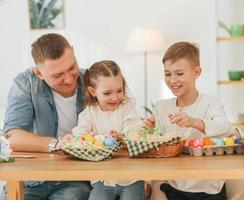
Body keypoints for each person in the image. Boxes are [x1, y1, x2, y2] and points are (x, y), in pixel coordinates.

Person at [2, 33, 91, 200]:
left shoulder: (92, 81)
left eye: (72, 68)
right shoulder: (25, 83)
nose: (69, 79)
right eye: (57, 75)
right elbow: (12, 136)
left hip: (74, 179)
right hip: (31, 178)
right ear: (39, 73)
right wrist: (57, 144)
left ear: (73, 51)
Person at [149, 42, 231, 200]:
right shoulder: (161, 108)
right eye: (167, 74)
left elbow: (225, 128)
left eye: (179, 74)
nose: (172, 80)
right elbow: (156, 149)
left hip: (209, 188)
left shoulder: (210, 102)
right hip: (174, 187)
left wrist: (193, 122)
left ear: (196, 72)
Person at [73, 60, 147, 200]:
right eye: (107, 93)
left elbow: (134, 131)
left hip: (131, 178)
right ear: (92, 91)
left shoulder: (126, 107)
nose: (114, 97)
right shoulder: (88, 113)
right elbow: (79, 136)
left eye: (119, 91)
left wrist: (122, 136)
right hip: (103, 178)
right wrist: (88, 137)